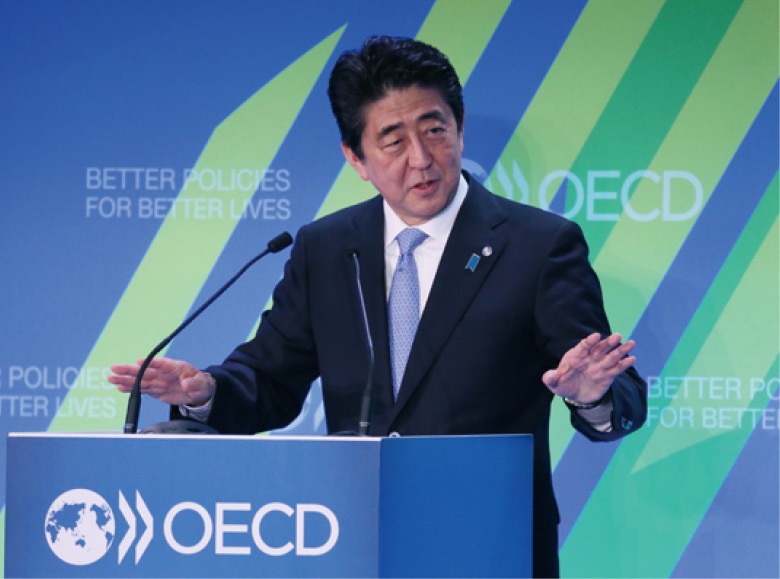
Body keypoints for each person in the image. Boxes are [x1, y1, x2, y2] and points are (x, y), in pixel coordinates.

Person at [110, 35, 647, 578]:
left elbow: (621, 395)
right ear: (356, 157)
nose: (422, 159)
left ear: (459, 126)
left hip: (488, 544)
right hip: (353, 541)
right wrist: (207, 391)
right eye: (393, 141)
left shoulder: (537, 245)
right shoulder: (326, 249)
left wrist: (592, 394)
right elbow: (270, 379)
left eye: (435, 130)